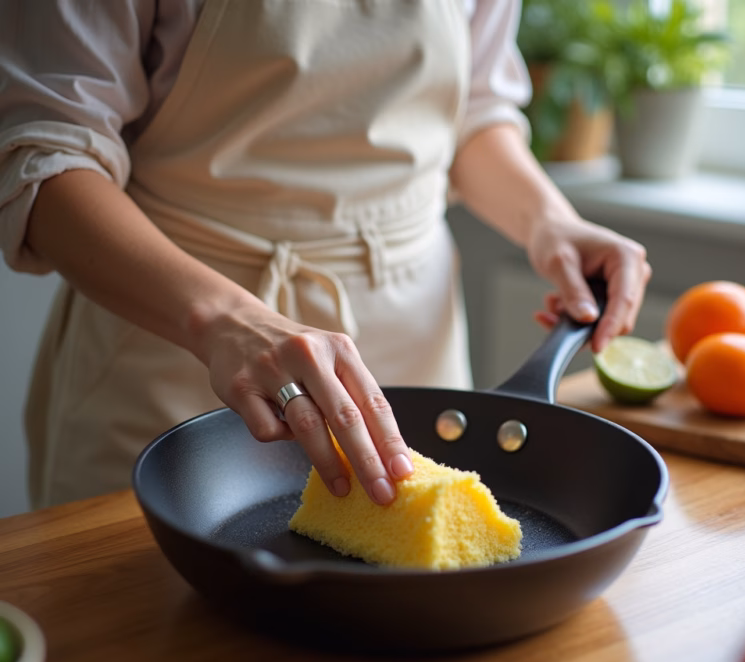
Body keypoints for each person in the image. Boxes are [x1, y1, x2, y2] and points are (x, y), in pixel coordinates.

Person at [0, 0, 651, 511]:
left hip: (415, 340)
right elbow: (47, 159)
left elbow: (473, 109)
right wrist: (224, 321)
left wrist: (550, 222)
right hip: (178, 346)